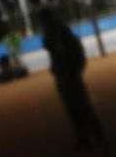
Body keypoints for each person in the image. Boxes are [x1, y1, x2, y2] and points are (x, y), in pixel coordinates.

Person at [39, 8, 103, 149]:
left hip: (67, 74)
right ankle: (94, 132)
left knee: (75, 106)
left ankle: (87, 136)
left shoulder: (55, 33)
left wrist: (68, 69)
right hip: (69, 72)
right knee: (81, 104)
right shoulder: (62, 31)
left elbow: (58, 51)